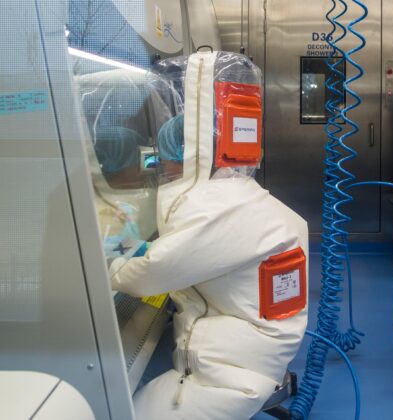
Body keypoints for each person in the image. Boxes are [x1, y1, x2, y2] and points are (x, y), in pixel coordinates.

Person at [109, 50, 309, 419]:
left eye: (166, 156)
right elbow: (193, 251)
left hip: (233, 371)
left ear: (189, 156)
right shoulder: (242, 197)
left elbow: (153, 272)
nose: (161, 165)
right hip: (254, 352)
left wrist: (110, 264)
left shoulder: (219, 209)